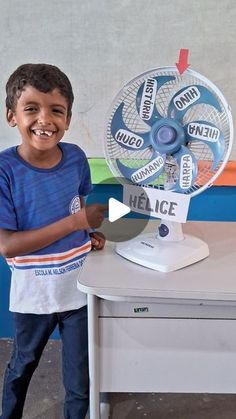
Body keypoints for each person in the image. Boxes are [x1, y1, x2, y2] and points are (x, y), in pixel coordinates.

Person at [0, 63, 107, 419]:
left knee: (80, 379)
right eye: (31, 108)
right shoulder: (4, 171)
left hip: (78, 289)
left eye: (56, 110)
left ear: (69, 118)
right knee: (22, 365)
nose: (44, 119)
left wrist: (87, 233)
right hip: (33, 294)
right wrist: (75, 222)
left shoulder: (75, 158)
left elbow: (76, 205)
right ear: (11, 115)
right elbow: (8, 245)